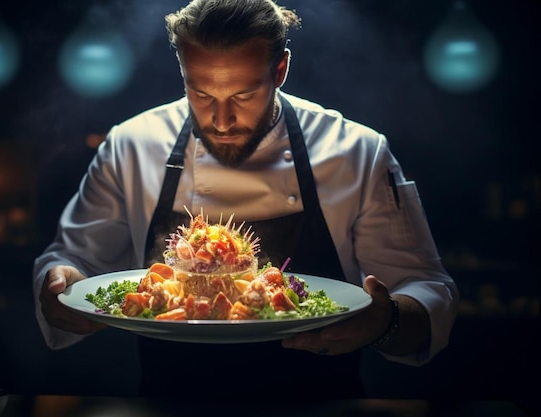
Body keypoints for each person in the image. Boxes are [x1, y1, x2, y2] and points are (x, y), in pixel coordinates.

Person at [34, 0, 459, 399]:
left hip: (320, 404)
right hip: (167, 404)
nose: (221, 122)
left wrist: (386, 321)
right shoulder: (131, 144)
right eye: (200, 95)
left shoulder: (356, 152)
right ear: (182, 72)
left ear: (280, 69)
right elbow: (74, 263)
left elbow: (426, 290)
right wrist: (60, 286)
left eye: (243, 95)